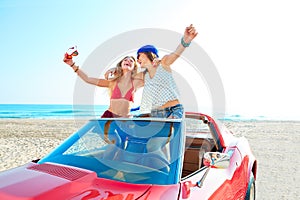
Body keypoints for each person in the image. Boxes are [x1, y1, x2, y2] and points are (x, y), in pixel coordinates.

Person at [136, 24, 198, 118]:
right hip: (155, 113)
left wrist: (186, 41)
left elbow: (176, 53)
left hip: (172, 111)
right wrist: (115, 70)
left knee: (172, 131)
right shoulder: (144, 75)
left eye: (139, 55)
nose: (137, 59)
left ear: (148, 53)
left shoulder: (163, 63)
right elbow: (125, 76)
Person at [63, 55, 144, 118]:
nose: (128, 61)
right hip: (109, 116)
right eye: (125, 60)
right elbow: (87, 79)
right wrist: (72, 65)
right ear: (121, 65)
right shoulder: (112, 82)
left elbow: (151, 73)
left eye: (131, 61)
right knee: (109, 139)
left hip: (125, 118)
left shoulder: (136, 82)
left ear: (134, 67)